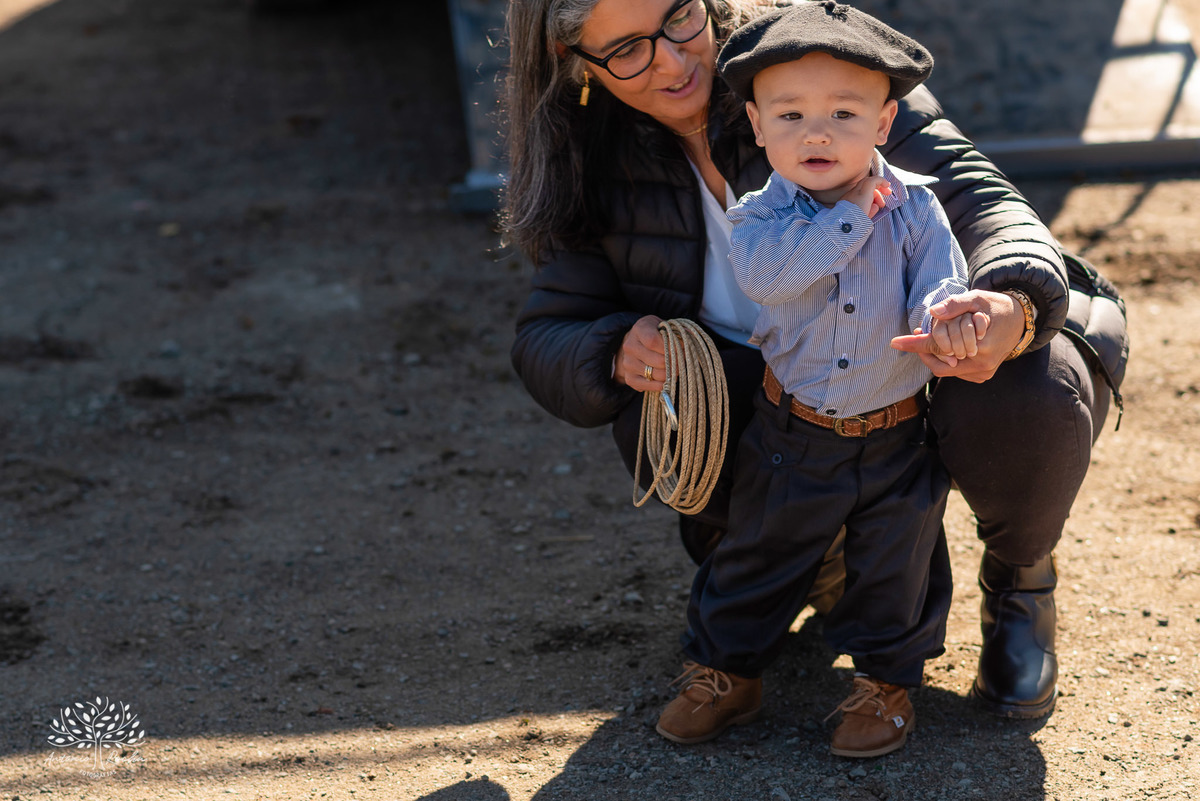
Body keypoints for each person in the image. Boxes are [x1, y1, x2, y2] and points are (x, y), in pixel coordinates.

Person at [503, 0, 1128, 725]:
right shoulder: (587, 154)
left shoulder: (820, 63)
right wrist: (615, 349)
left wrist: (1013, 304)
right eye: (629, 51)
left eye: (679, 17)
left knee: (1029, 380)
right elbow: (547, 332)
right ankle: (807, 569)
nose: (672, 60)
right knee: (674, 402)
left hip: (905, 375)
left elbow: (986, 203)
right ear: (577, 63)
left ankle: (1020, 583)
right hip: (776, 407)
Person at [653, 2, 979, 757]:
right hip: (793, 432)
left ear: (884, 122)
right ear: (757, 125)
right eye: (791, 115)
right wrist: (850, 215)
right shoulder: (758, 218)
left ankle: (884, 685)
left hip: (896, 432)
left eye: (844, 113)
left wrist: (946, 318)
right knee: (759, 551)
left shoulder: (918, 208)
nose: (818, 134)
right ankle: (728, 672)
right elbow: (772, 280)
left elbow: (938, 283)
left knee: (898, 560)